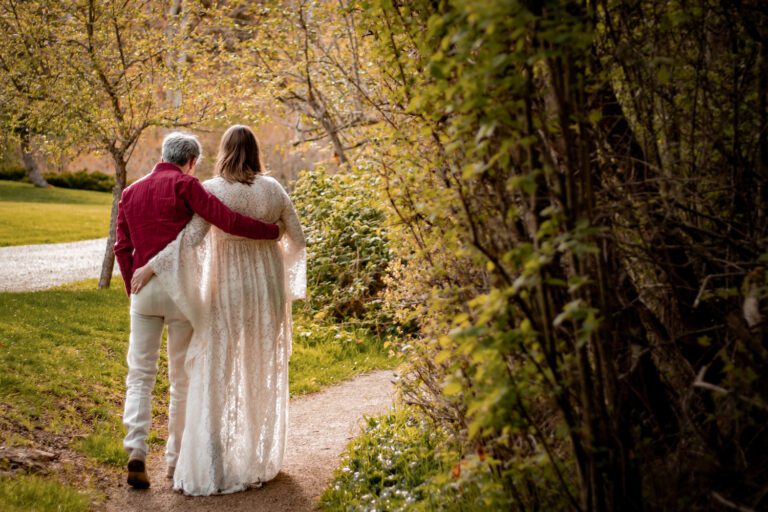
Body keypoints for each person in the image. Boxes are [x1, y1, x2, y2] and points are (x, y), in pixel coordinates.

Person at [131, 124, 306, 495]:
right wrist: (278, 264)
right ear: (256, 151)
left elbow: (191, 239)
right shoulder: (273, 189)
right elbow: (298, 239)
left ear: (223, 151)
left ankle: (213, 459)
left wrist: (153, 266)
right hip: (266, 288)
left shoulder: (211, 190)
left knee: (218, 368)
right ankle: (259, 457)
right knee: (260, 366)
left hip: (225, 287)